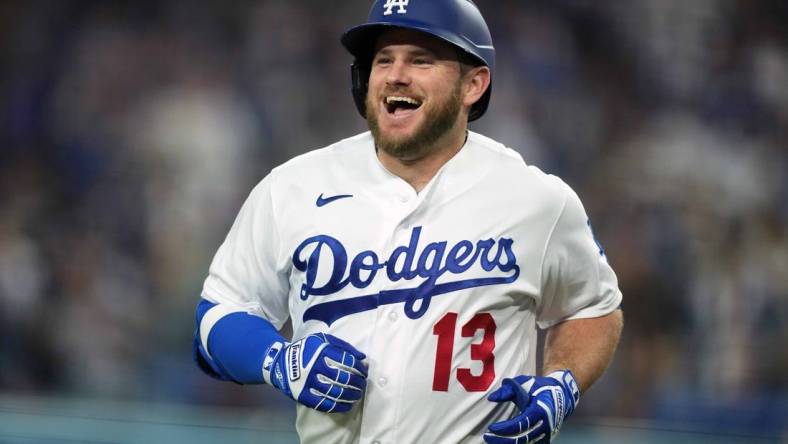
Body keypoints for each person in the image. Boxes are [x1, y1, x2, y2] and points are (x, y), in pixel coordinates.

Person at [193, 1, 623, 443]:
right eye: (383, 60)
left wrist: (561, 385)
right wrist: (277, 360)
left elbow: (593, 307)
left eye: (421, 60)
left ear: (473, 84)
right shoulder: (292, 187)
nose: (396, 74)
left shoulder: (536, 201)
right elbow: (216, 318)